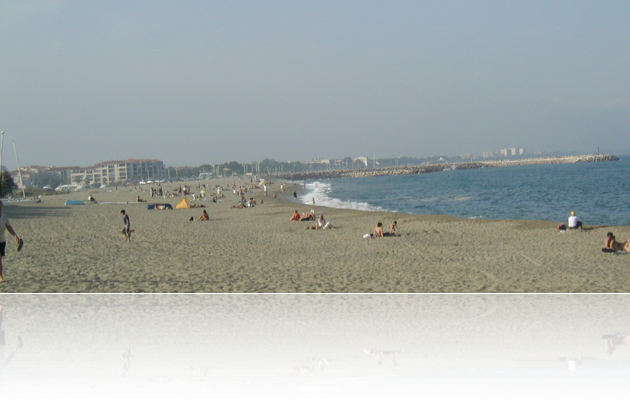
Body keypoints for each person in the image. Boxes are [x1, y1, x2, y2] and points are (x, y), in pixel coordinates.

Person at [0, 305, 25, 386]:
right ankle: (1, 310)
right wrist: (15, 350)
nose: (0, 377)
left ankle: (1, 310)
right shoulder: (4, 368)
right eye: (0, 378)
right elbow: (9, 358)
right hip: (2, 345)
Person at [0, 201, 22, 283]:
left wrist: (15, 236)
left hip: (2, 241)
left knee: (0, 260)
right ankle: (1, 277)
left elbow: (9, 228)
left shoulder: (4, 217)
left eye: (1, 207)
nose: (0, 209)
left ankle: (1, 276)